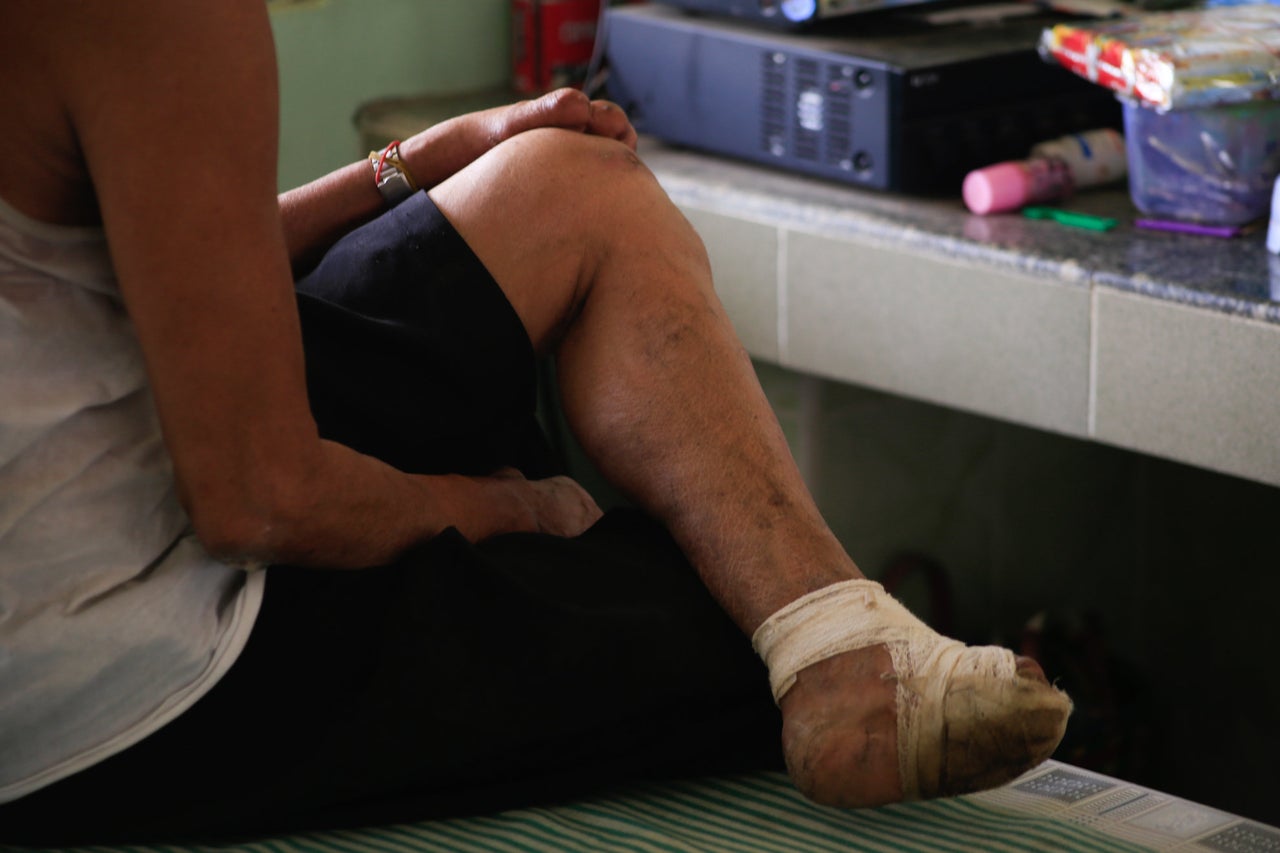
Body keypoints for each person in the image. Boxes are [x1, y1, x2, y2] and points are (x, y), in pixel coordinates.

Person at [0, 0, 1071, 845]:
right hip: (92, 677)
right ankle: (828, 650)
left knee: (572, 184)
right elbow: (259, 499)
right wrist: (499, 510)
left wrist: (425, 159)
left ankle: (830, 637)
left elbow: (157, 246)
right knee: (713, 616)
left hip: (108, 444)